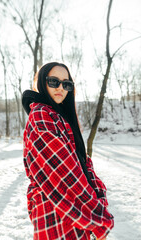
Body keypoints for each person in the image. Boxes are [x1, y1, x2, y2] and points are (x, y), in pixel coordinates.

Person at [22, 62, 114, 240]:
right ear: (42, 82)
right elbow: (64, 174)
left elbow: (83, 163)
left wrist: (99, 197)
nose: (61, 88)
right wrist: (96, 218)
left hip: (75, 209)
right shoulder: (41, 115)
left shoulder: (60, 117)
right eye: (53, 82)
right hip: (55, 209)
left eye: (66, 84)